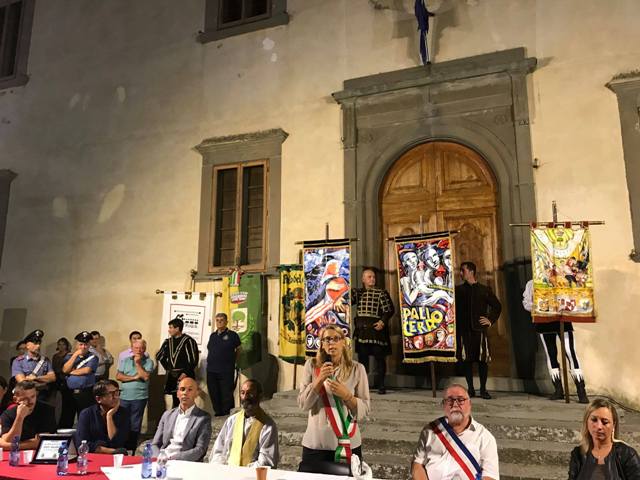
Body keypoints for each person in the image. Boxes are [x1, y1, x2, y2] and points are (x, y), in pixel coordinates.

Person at [298, 324, 370, 475]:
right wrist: (319, 380)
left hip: (348, 442)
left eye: (336, 338)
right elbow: (303, 405)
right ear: (321, 344)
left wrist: (347, 396)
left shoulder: (357, 369)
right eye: (327, 339)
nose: (331, 343)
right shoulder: (311, 366)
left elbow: (364, 410)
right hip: (316, 444)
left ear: (343, 342)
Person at [411, 383, 499, 480]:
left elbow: (490, 476)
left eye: (461, 400)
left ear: (470, 404)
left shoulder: (485, 437)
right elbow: (417, 464)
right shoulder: (430, 430)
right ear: (443, 405)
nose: (455, 404)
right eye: (449, 400)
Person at [523, 279, 589, 403]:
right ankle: (558, 390)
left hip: (563, 320)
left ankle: (581, 390)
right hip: (544, 322)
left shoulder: (562, 280)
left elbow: (572, 297)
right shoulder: (532, 283)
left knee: (570, 353)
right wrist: (538, 306)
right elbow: (526, 303)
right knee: (551, 354)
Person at [455, 262, 502, 399]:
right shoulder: (458, 290)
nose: (461, 273)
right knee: (466, 360)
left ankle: (483, 389)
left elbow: (497, 306)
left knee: (482, 360)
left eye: (463, 270)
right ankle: (470, 389)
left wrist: (490, 320)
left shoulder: (484, 289)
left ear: (471, 272)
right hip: (464, 330)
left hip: (479, 330)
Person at [209, 379, 278, 467]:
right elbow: (218, 450)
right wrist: (222, 468)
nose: (245, 397)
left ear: (260, 396)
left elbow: (266, 461)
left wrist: (242, 471)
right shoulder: (232, 421)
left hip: (251, 473)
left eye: (250, 393)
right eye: (242, 393)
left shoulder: (268, 426)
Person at [569, 398, 640, 480]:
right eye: (594, 420)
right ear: (586, 422)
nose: (599, 426)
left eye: (605, 422)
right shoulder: (578, 454)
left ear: (614, 424)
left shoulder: (627, 454)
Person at [352, 267, 395, 394]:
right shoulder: (358, 293)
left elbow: (389, 310)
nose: (372, 279)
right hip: (362, 330)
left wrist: (382, 322)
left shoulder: (381, 293)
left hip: (376, 330)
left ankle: (381, 385)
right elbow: (347, 300)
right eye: (369, 277)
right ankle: (363, 386)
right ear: (363, 279)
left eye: (373, 277)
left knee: (379, 358)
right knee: (362, 360)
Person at [150, 377, 212, 461]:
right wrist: (159, 457)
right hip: (162, 459)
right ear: (177, 394)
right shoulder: (167, 415)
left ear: (196, 393)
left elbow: (200, 450)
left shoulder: (203, 418)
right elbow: (155, 444)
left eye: (190, 390)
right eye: (182, 389)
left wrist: (173, 458)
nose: (185, 393)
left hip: (184, 461)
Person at [116, 339, 154, 450]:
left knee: (135, 422)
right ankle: (121, 444)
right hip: (124, 396)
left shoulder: (149, 362)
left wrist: (137, 363)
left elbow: (145, 376)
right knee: (122, 421)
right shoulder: (125, 360)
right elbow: (118, 376)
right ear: (132, 349)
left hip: (139, 397)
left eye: (141, 348)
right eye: (136, 348)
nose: (139, 350)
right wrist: (134, 377)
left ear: (145, 349)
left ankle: (131, 446)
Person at [75, 379, 130, 454]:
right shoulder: (86, 414)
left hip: (117, 457)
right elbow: (82, 445)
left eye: (117, 393)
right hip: (93, 456)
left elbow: (117, 443)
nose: (115, 397)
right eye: (111, 394)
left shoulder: (123, 413)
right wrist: (112, 451)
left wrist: (109, 416)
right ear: (98, 399)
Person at [156, 317, 199, 409]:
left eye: (171, 328)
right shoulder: (168, 342)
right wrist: (168, 368)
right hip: (173, 375)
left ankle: (187, 416)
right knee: (175, 398)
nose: (169, 330)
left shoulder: (188, 341)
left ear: (178, 328)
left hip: (185, 374)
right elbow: (159, 356)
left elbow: (193, 360)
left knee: (186, 398)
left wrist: (185, 373)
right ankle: (176, 416)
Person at [0, 381, 56, 450]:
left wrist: (10, 446)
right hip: (15, 453)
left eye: (33, 396)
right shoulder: (7, 414)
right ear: (15, 399)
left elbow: (42, 441)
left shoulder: (47, 410)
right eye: (25, 398)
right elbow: (9, 440)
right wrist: (20, 417)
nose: (31, 401)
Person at [206, 312, 241, 416]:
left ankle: (227, 415)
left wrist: (234, 361)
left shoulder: (232, 335)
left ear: (226, 322)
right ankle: (218, 413)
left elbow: (239, 350)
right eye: (217, 320)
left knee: (226, 394)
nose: (219, 322)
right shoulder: (213, 336)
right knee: (214, 393)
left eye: (221, 320)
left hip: (226, 370)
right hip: (212, 370)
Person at [62, 331, 99, 421]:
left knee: (84, 418)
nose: (83, 347)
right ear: (76, 345)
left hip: (85, 392)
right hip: (69, 392)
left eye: (86, 344)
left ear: (89, 345)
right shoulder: (69, 356)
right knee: (66, 418)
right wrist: (75, 355)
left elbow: (86, 370)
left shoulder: (93, 357)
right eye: (81, 344)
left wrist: (70, 372)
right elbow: (65, 370)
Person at [11, 330, 56, 403]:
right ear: (27, 345)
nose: (38, 346)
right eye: (35, 343)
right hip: (26, 397)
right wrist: (43, 382)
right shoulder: (18, 361)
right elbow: (23, 382)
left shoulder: (45, 360)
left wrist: (36, 378)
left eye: (39, 343)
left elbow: (52, 377)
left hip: (43, 397)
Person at [52, 337, 75, 428]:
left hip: (66, 381)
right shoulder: (55, 356)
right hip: (57, 381)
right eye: (59, 344)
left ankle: (66, 424)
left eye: (63, 344)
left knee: (67, 404)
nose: (61, 346)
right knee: (58, 404)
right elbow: (54, 368)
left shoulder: (69, 355)